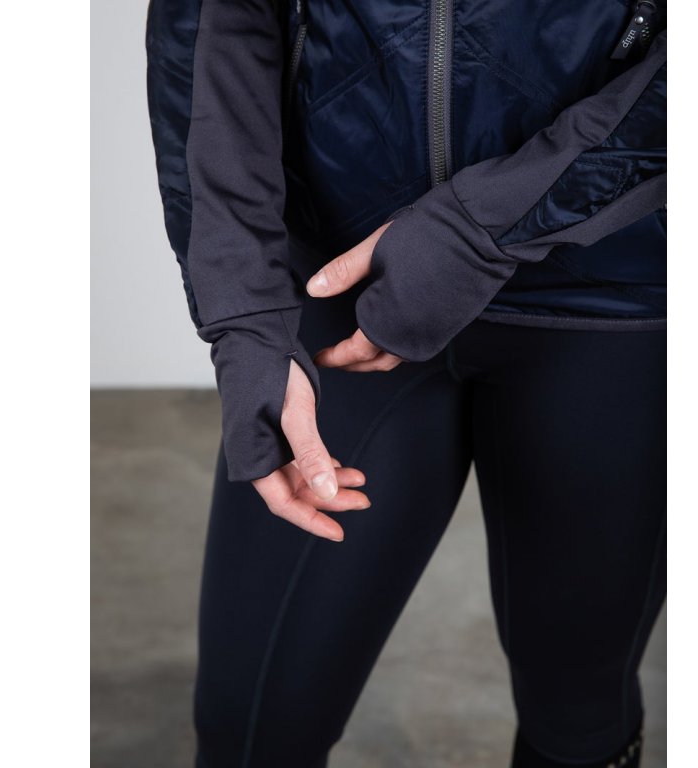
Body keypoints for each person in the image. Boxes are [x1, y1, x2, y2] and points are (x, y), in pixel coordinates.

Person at [146, 0, 666, 765]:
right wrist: (245, 307)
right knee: (251, 730)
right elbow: (212, 25)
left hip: (613, 285)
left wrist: (481, 227)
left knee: (578, 713)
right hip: (343, 274)